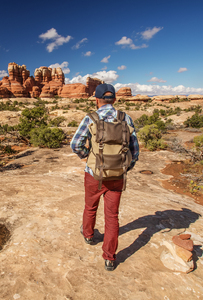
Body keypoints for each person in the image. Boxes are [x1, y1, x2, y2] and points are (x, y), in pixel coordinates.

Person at [70, 83, 139, 271]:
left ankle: (88, 235)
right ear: (114, 99)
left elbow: (75, 144)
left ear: (96, 100)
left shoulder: (91, 118)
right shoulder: (126, 118)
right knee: (112, 217)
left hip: (94, 174)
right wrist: (124, 167)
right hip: (117, 176)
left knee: (90, 206)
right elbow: (135, 151)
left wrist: (87, 155)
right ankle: (109, 258)